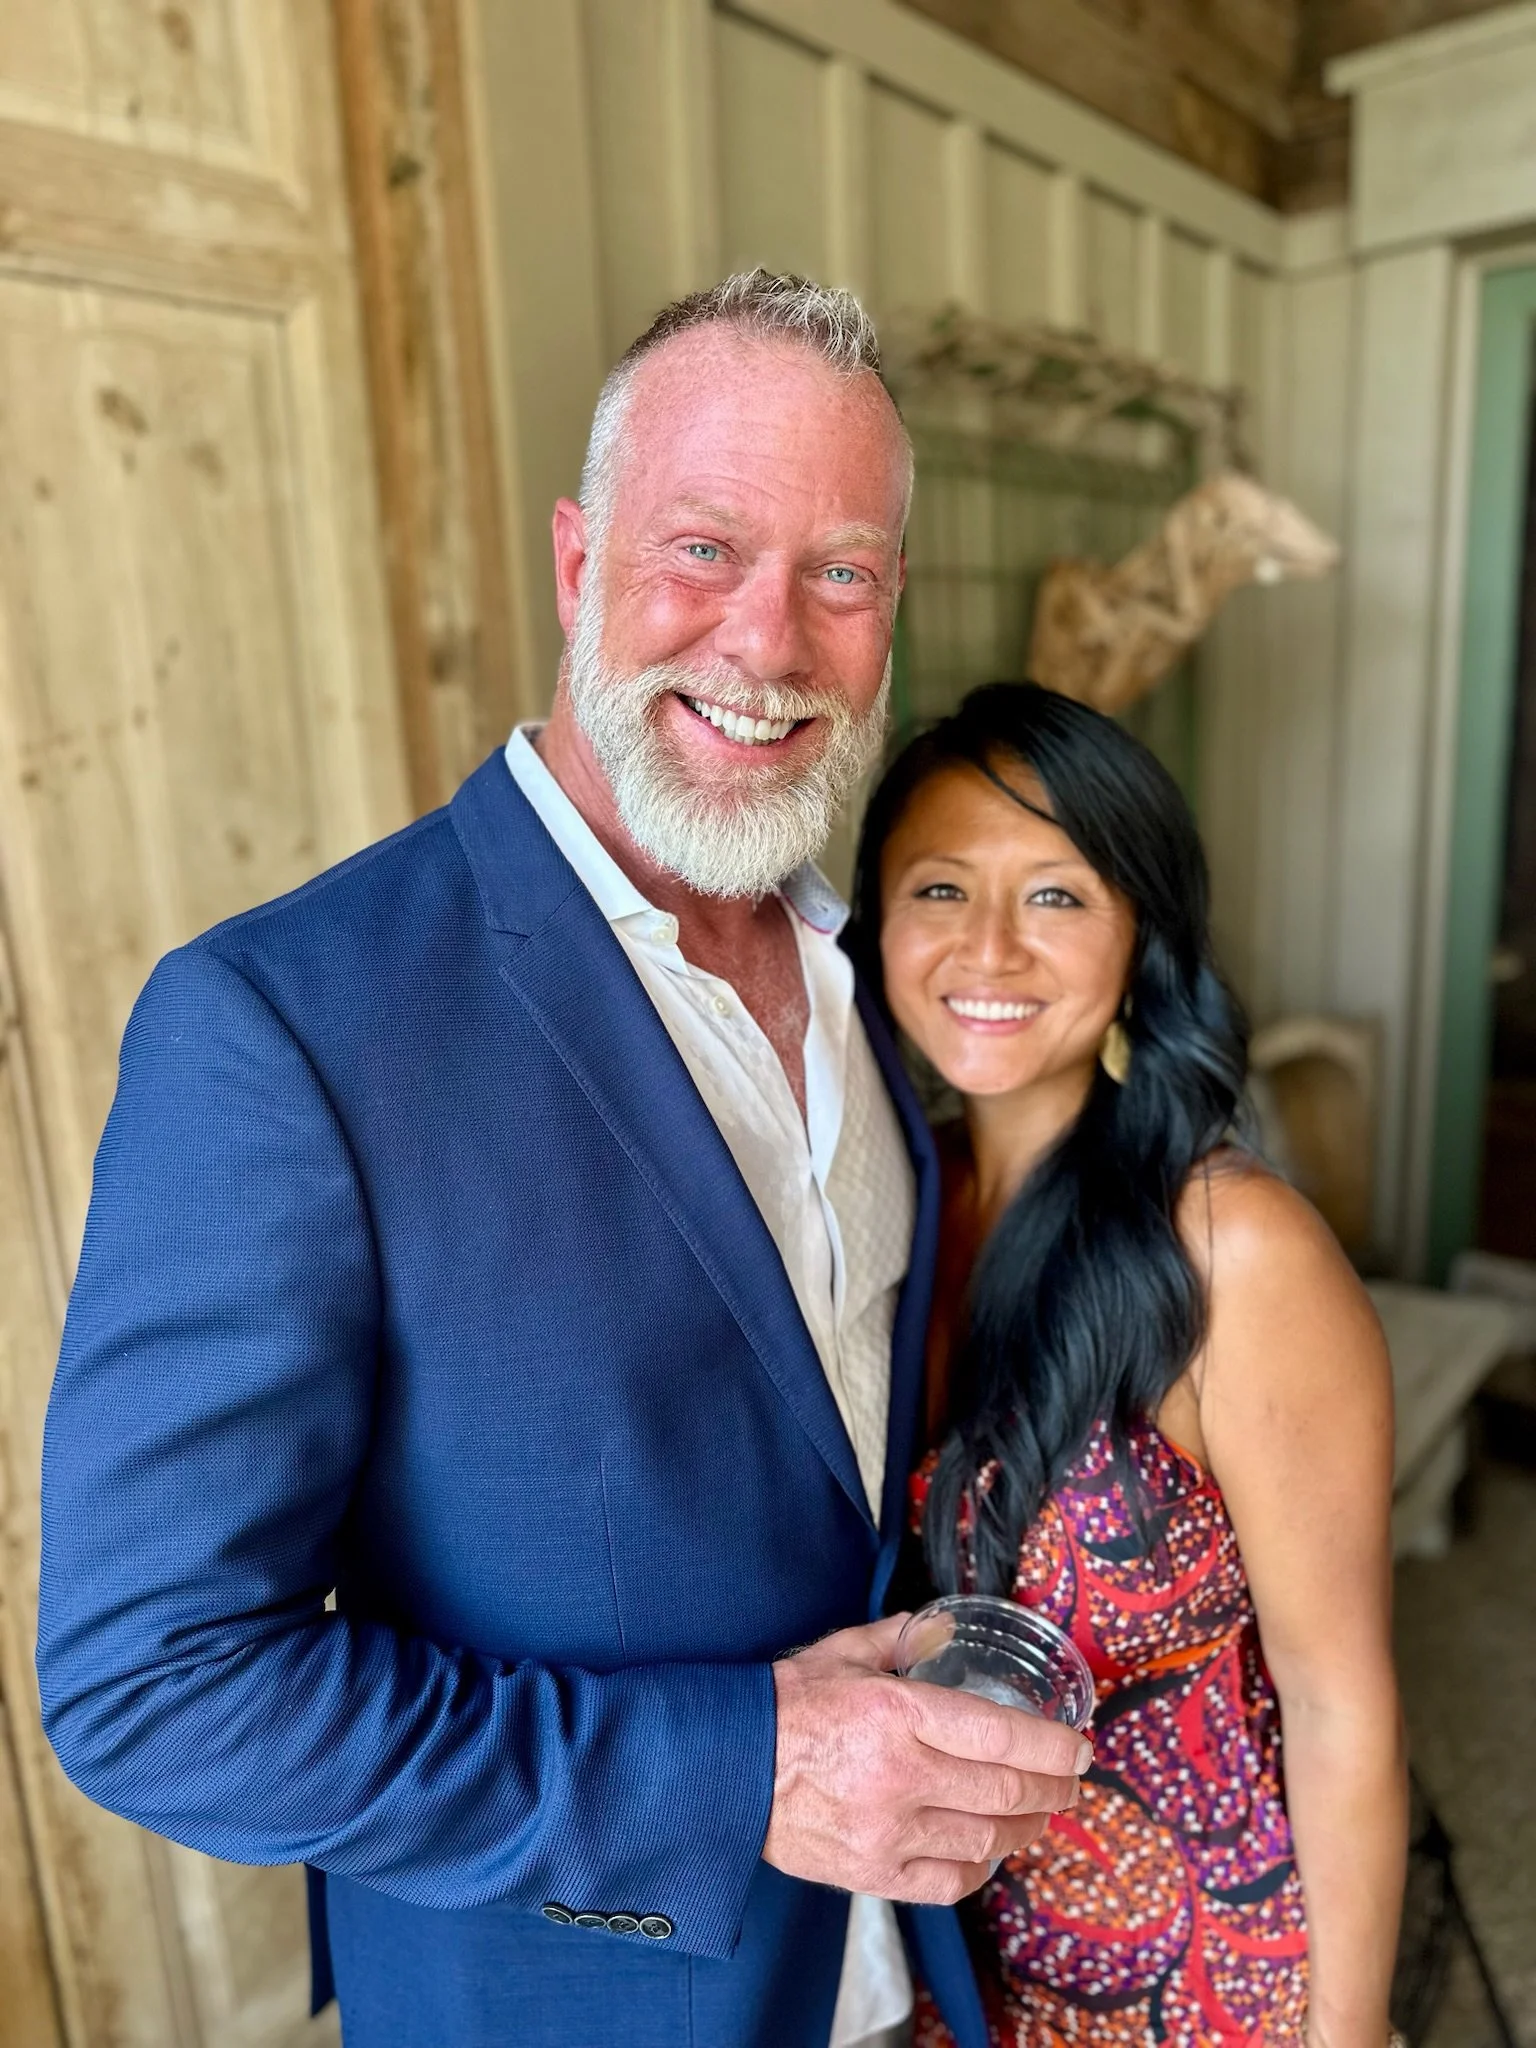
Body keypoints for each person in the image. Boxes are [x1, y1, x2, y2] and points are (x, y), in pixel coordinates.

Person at [35, 276, 1087, 2048]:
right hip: (571, 1988)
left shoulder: (887, 974)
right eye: (703, 548)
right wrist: (750, 1767)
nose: (767, 642)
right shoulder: (284, 1028)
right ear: (578, 562)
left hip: (911, 1967)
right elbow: (155, 1687)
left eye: (841, 574)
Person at [849, 682, 1408, 2047]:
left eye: (1056, 895)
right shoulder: (885, 1217)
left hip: (1213, 1985)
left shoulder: (1230, 1251)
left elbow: (1340, 1704)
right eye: (939, 889)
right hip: (964, 1975)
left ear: (1140, 933)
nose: (989, 945)